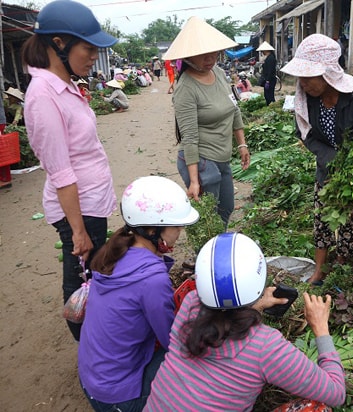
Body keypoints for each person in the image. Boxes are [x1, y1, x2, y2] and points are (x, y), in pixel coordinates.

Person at [145, 232, 346, 411]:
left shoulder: (189, 304)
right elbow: (336, 393)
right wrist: (321, 329)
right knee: (319, 407)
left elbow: (220, 322)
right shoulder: (264, 345)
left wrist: (253, 305)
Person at [21, 0, 118, 342]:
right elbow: (60, 171)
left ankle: (96, 340)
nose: (94, 56)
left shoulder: (66, 86)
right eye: (89, 48)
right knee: (79, 282)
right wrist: (78, 232)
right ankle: (88, 346)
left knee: (93, 278)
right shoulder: (42, 96)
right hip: (80, 211)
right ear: (59, 44)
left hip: (90, 203)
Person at [78, 176, 199, 412]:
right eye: (176, 225)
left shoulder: (117, 250)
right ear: (153, 229)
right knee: (194, 357)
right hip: (119, 398)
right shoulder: (151, 279)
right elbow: (173, 340)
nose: (180, 231)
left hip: (92, 379)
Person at [280, 33, 353, 285]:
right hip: (327, 169)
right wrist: (332, 158)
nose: (302, 84)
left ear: (328, 74)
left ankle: (341, 264)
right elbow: (304, 132)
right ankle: (319, 270)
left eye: (308, 78)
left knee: (350, 222)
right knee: (322, 220)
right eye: (301, 78)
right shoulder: (308, 98)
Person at [165, 16, 250, 227]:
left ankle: (213, 250)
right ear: (188, 56)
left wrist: (242, 144)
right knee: (208, 215)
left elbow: (234, 108)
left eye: (213, 52)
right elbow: (190, 137)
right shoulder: (186, 88)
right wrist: (194, 180)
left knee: (227, 207)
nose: (210, 58)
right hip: (201, 160)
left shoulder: (219, 74)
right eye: (202, 54)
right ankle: (203, 256)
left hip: (222, 157)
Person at [257, 41, 277, 105]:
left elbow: (270, 71)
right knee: (267, 95)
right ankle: (269, 106)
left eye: (262, 50)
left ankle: (272, 106)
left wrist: (268, 81)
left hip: (270, 80)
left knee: (269, 96)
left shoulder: (271, 58)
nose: (262, 52)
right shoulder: (268, 58)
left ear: (266, 50)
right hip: (268, 79)